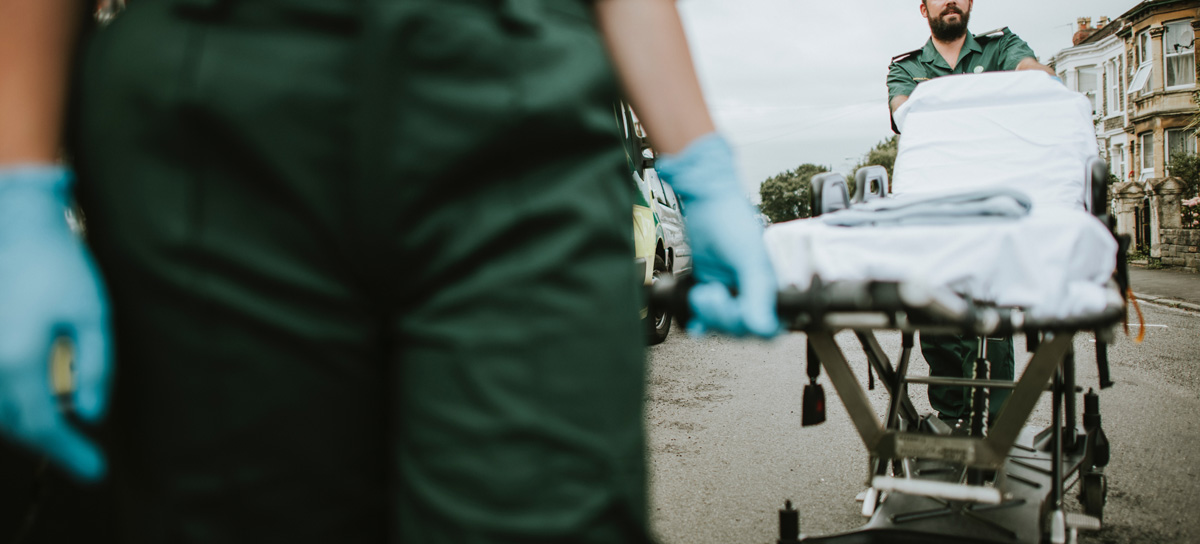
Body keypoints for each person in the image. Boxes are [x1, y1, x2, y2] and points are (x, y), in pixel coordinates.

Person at [0, 0, 779, 542]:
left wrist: (696, 159)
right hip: (215, 100)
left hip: (510, 92)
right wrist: (19, 184)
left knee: (549, 512)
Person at [885, 0, 1053, 429]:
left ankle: (993, 423)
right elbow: (906, 114)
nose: (951, 1)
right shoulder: (905, 68)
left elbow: (1035, 76)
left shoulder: (1003, 47)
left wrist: (1039, 83)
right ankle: (952, 417)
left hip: (996, 207)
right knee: (937, 320)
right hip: (933, 211)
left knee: (991, 322)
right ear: (924, 8)